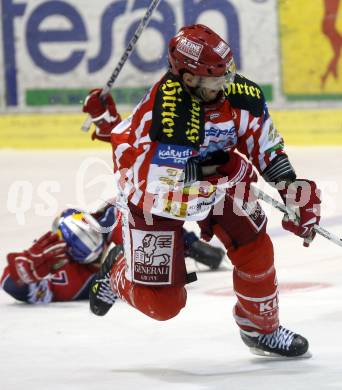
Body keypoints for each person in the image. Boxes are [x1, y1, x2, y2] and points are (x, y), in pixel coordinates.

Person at [83, 24, 321, 358]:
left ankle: (260, 329)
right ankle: (117, 270)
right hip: (152, 196)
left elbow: (264, 147)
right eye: (213, 79)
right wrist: (220, 168)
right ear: (186, 78)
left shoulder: (242, 96)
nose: (224, 85)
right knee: (163, 305)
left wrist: (292, 189)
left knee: (256, 249)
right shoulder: (167, 114)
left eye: (227, 74)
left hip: (214, 180)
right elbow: (162, 182)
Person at [1, 204, 225, 304]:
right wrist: (21, 274)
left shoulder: (75, 237)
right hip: (124, 272)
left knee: (126, 215)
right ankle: (180, 245)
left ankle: (185, 244)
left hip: (122, 259)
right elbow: (9, 284)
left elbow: (120, 208)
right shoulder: (71, 280)